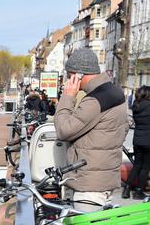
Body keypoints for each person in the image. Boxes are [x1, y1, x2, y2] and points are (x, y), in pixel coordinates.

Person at [54, 48, 128, 211]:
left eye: (68, 76)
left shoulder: (95, 100)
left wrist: (68, 97)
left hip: (89, 184)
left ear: (78, 75)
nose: (67, 81)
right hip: (104, 177)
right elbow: (124, 127)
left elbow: (63, 131)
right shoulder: (116, 92)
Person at [123, 85, 150, 198]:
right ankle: (138, 191)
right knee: (145, 166)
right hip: (148, 140)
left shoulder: (136, 105)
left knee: (137, 165)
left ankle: (127, 189)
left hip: (137, 139)